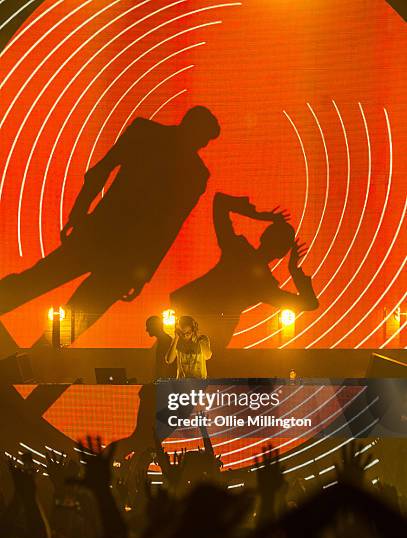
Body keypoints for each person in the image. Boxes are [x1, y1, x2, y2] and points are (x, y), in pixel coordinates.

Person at [0, 107, 220, 341]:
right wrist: (142, 273)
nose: (203, 146)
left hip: (100, 233)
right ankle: (39, 359)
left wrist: (78, 214)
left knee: (39, 280)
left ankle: (37, 357)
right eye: (204, 139)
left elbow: (101, 170)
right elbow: (169, 228)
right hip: (127, 258)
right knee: (76, 315)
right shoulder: (196, 174)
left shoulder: (145, 132)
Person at [170, 192, 319, 351]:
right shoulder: (265, 286)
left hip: (191, 311)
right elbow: (309, 303)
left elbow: (220, 201)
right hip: (214, 335)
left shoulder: (237, 249)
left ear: (263, 236)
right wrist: (294, 270)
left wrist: (261, 216)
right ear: (282, 253)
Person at [145, 315, 176, 380]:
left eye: (148, 326)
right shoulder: (164, 340)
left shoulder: (166, 341)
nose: (146, 330)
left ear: (154, 326)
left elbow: (165, 366)